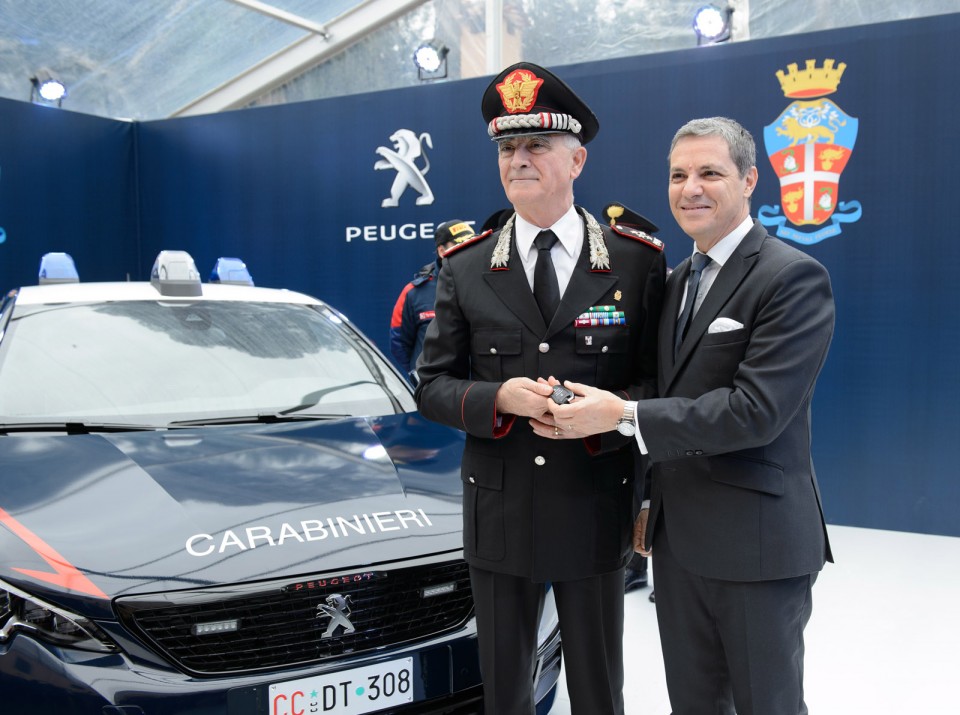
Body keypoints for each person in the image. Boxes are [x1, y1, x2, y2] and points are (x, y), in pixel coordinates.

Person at [550, 116, 835, 715]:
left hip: (757, 548)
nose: (691, 188)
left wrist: (622, 414)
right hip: (678, 547)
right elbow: (667, 387)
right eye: (678, 175)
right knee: (694, 704)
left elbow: (755, 412)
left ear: (751, 179)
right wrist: (647, 503)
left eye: (710, 172)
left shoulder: (791, 277)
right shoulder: (677, 282)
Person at [414, 62, 666, 715]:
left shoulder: (634, 260)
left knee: (597, 689)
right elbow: (432, 384)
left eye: (536, 145)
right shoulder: (467, 267)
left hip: (594, 502)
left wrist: (610, 421)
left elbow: (655, 383)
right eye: (507, 147)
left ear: (577, 158)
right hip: (501, 512)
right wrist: (496, 400)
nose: (518, 159)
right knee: (505, 692)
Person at [389, 219, 475, 382]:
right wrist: (418, 372)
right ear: (442, 251)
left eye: (472, 244)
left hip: (478, 389)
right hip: (434, 389)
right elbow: (399, 342)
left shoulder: (485, 283)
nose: (468, 250)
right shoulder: (414, 292)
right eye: (461, 244)